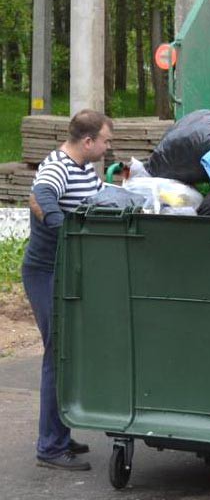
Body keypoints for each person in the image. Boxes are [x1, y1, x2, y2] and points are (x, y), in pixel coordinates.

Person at [22, 109, 113, 471]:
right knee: (57, 354)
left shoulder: (84, 169)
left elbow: (101, 196)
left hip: (67, 272)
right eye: (106, 140)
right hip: (45, 273)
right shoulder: (57, 166)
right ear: (88, 141)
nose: (109, 146)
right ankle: (50, 447)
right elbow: (41, 195)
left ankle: (59, 432)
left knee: (70, 354)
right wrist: (65, 228)